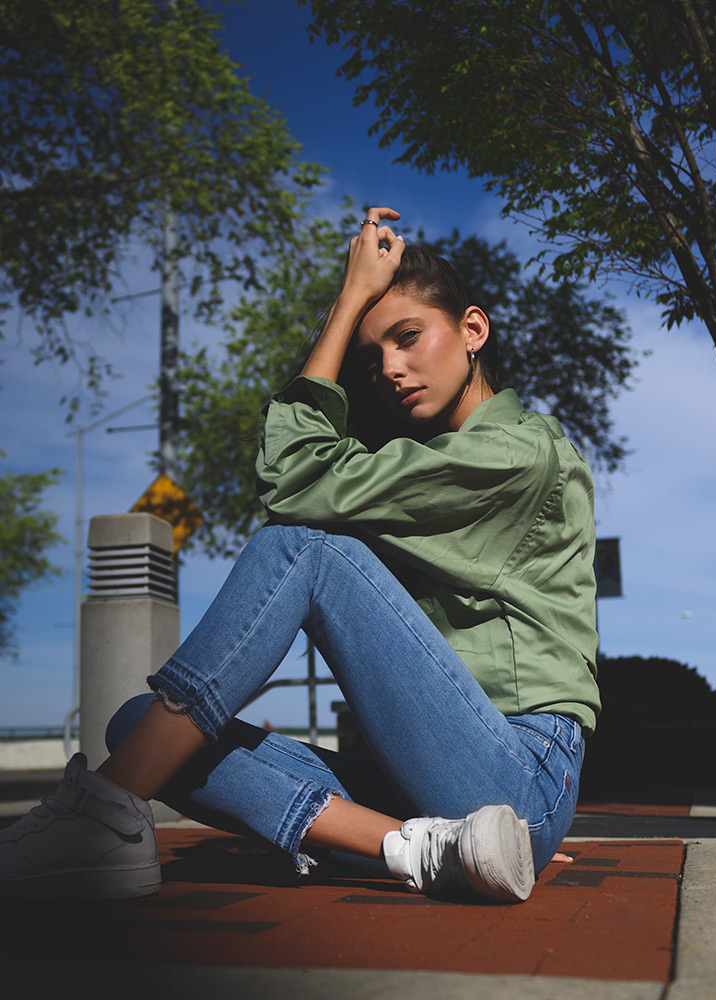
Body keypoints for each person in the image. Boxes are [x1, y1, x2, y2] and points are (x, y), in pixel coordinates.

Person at [0, 207, 600, 904]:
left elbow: (291, 477)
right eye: (374, 359)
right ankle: (420, 851)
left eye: (408, 338)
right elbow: (305, 475)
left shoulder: (518, 453)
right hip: (424, 782)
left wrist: (350, 298)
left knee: (304, 550)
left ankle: (100, 820)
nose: (392, 370)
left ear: (473, 330)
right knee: (138, 729)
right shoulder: (422, 468)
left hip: (517, 780)